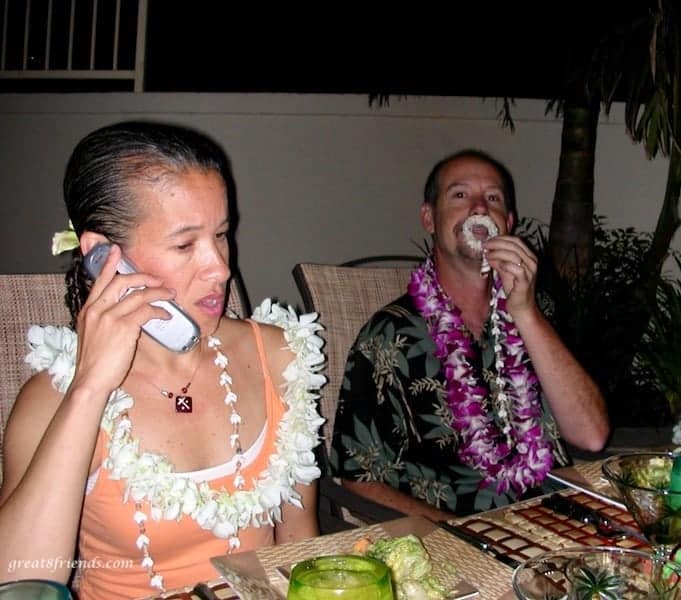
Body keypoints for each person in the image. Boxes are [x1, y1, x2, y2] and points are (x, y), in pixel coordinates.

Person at [0, 121, 325, 599]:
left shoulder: (280, 356)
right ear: (103, 256)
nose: (220, 268)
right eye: (184, 244)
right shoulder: (53, 397)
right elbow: (17, 579)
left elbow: (298, 543)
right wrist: (90, 388)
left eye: (222, 234)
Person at [330, 149, 609, 520]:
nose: (479, 208)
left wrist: (526, 312)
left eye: (492, 198)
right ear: (429, 218)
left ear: (507, 223)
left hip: (552, 521)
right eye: (460, 195)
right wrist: (457, 534)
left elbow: (591, 435)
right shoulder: (391, 336)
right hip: (454, 541)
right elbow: (358, 477)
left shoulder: (532, 317)